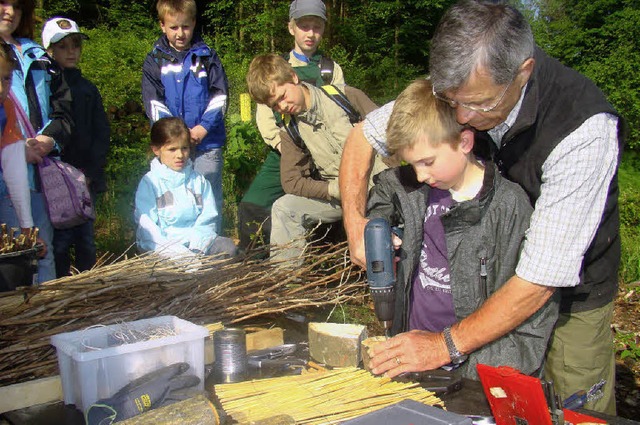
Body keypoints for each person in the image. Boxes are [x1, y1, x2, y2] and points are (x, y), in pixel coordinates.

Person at [340, 0, 622, 414]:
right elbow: (362, 137)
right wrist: (355, 222)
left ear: (522, 72)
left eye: (480, 104)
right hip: (485, 281)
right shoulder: (460, 86)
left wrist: (443, 344)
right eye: (453, 100)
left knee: (574, 404)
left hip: (569, 287)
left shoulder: (583, 129)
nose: (464, 117)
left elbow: (539, 279)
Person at [366, 79, 558, 380]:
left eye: (427, 162)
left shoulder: (509, 209)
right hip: (412, 357)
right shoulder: (413, 187)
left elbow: (531, 329)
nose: (419, 174)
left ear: (465, 142)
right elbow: (383, 191)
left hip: (469, 370)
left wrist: (468, 371)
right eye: (411, 164)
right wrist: (377, 224)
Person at [246, 53, 386, 262]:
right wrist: (333, 189)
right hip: (341, 198)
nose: (282, 107)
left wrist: (389, 177)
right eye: (274, 105)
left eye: (283, 96)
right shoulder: (290, 130)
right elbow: (291, 181)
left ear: (293, 77)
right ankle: (287, 284)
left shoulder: (344, 97)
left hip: (381, 187)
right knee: (285, 208)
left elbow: (393, 132)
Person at [237, 0, 345, 251]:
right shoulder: (276, 68)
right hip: (286, 151)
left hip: (326, 152)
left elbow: (342, 109)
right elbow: (265, 121)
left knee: (325, 207)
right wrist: (287, 149)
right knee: (253, 204)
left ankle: (323, 258)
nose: (310, 33)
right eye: (304, 26)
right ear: (291, 28)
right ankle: (254, 259)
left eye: (316, 27)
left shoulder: (329, 70)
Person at [0, 0, 74, 283]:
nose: (10, 11)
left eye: (17, 6)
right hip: (6, 174)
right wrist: (17, 150)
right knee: (13, 263)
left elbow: (63, 107)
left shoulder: (38, 55)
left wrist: (48, 139)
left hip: (39, 175)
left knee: (42, 252)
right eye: (3, 3)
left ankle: (47, 320)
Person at [142, 0, 228, 236]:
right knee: (176, 200)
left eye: (186, 27)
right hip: (172, 146)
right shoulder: (154, 60)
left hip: (207, 142)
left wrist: (202, 128)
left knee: (207, 200)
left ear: (193, 24)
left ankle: (210, 252)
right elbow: (153, 103)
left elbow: (220, 96)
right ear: (162, 25)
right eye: (174, 27)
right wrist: (177, 134)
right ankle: (178, 250)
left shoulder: (207, 56)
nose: (180, 33)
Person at [41, 17, 110, 277]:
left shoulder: (88, 89)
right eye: (62, 47)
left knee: (85, 239)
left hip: (83, 178)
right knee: (58, 242)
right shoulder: (45, 87)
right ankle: (60, 288)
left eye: (75, 45)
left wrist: (91, 172)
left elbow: (102, 133)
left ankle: (87, 287)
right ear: (49, 50)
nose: (71, 52)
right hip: (52, 178)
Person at [134, 117, 236, 259]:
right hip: (164, 248)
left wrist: (196, 247)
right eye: (172, 149)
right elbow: (148, 226)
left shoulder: (198, 181)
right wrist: (176, 253)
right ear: (156, 150)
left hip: (198, 243)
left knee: (227, 247)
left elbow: (207, 217)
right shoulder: (150, 183)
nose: (180, 155)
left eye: (184, 148)